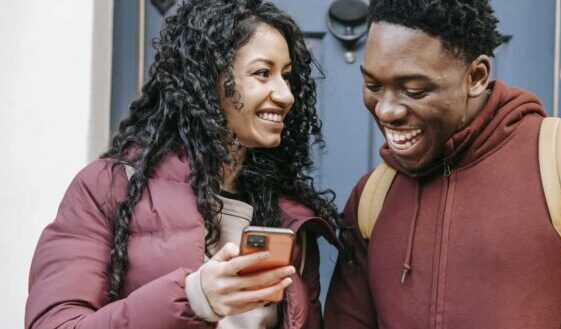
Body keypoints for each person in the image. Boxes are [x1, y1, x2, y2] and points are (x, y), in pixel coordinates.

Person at [323, 0, 561, 328]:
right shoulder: (373, 197)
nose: (386, 109)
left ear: (476, 76)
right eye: (373, 85)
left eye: (414, 90)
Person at [25, 1, 339, 328]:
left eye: (286, 76)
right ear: (206, 79)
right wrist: (194, 298)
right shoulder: (108, 188)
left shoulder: (291, 218)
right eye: (263, 73)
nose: (286, 94)